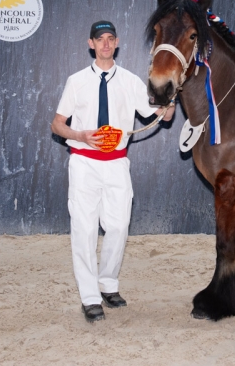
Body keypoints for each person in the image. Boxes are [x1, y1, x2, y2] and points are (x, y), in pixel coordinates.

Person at [50, 20, 175, 323]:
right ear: (90, 44)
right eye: (99, 39)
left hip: (118, 162)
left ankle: (107, 284)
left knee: (118, 226)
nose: (105, 44)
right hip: (84, 161)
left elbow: (158, 113)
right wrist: (80, 135)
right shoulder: (76, 81)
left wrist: (168, 106)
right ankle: (90, 297)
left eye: (110, 39)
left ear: (116, 43)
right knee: (85, 229)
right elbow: (57, 124)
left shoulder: (132, 81)